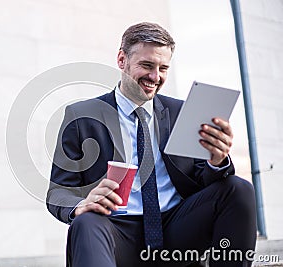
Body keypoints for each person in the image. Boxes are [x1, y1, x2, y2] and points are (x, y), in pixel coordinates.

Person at [47, 22, 256, 267]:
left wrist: (217, 160)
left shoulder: (181, 112)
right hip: (115, 232)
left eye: (163, 68)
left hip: (176, 231)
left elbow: (203, 182)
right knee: (86, 222)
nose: (155, 77)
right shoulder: (81, 115)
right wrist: (81, 204)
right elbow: (58, 192)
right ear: (122, 60)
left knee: (238, 189)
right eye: (147, 65)